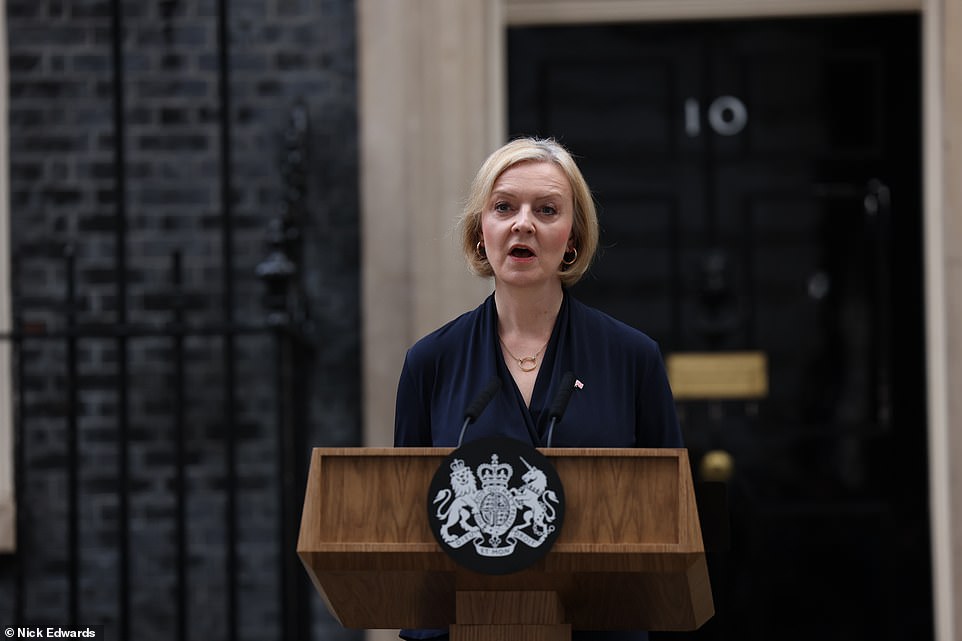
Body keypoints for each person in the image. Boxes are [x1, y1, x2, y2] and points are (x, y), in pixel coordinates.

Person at [393, 137, 683, 641]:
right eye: (504, 206)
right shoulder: (430, 363)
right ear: (481, 231)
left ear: (572, 238)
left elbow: (671, 516)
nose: (522, 223)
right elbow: (411, 528)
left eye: (546, 209)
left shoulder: (632, 358)